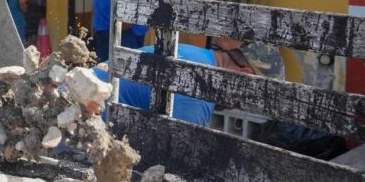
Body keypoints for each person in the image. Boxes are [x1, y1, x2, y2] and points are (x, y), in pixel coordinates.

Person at [93, 39, 280, 126]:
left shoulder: (198, 55)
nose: (240, 106)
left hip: (83, 95)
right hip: (85, 122)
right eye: (252, 95)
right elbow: (177, 159)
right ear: (245, 75)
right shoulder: (200, 89)